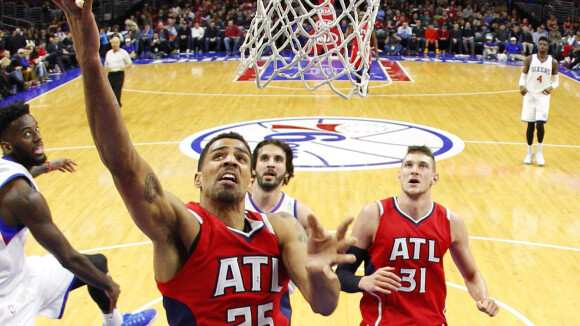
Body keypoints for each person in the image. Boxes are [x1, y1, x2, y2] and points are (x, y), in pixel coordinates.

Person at [52, 1, 357, 325]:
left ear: (250, 177)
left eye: (241, 158)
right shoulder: (179, 226)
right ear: (198, 178)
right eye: (219, 155)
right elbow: (123, 164)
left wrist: (319, 273)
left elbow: (324, 305)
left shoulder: (282, 228)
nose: (230, 161)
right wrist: (88, 59)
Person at [0, 101, 157, 326]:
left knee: (96, 264)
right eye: (27, 134)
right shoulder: (25, 199)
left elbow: (22, 174)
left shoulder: (6, 171)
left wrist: (50, 166)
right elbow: (68, 258)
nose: (37, 137)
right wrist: (109, 285)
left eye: (37, 129)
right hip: (8, 304)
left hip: (22, 275)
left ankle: (116, 323)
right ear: (7, 146)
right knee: (95, 274)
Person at [336, 145, 500, 325]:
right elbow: (342, 275)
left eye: (423, 166)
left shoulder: (451, 221)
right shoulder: (374, 214)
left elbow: (471, 274)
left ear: (434, 178)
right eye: (408, 166)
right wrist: (362, 282)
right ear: (400, 175)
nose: (414, 171)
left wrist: (484, 298)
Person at [246, 139, 315, 229]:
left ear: (287, 171)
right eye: (264, 158)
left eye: (278, 160)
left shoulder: (300, 214)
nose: (270, 164)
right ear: (253, 168)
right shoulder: (235, 205)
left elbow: (322, 241)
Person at [519, 36, 559, 166]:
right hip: (530, 95)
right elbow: (522, 77)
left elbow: (556, 80)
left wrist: (551, 87)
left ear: (548, 46)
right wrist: (521, 86)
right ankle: (529, 152)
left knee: (540, 124)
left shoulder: (553, 62)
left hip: (543, 96)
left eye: (545, 44)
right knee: (530, 126)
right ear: (538, 45)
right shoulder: (530, 59)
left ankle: (539, 151)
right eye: (540, 44)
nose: (542, 46)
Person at [104, 36, 132, 107]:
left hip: (119, 74)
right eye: (113, 43)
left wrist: (124, 67)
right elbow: (106, 64)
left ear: (119, 43)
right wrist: (106, 68)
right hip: (110, 75)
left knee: (117, 93)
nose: (114, 44)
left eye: (116, 42)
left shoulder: (123, 52)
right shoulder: (108, 53)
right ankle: (116, 107)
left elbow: (130, 63)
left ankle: (116, 110)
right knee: (110, 94)